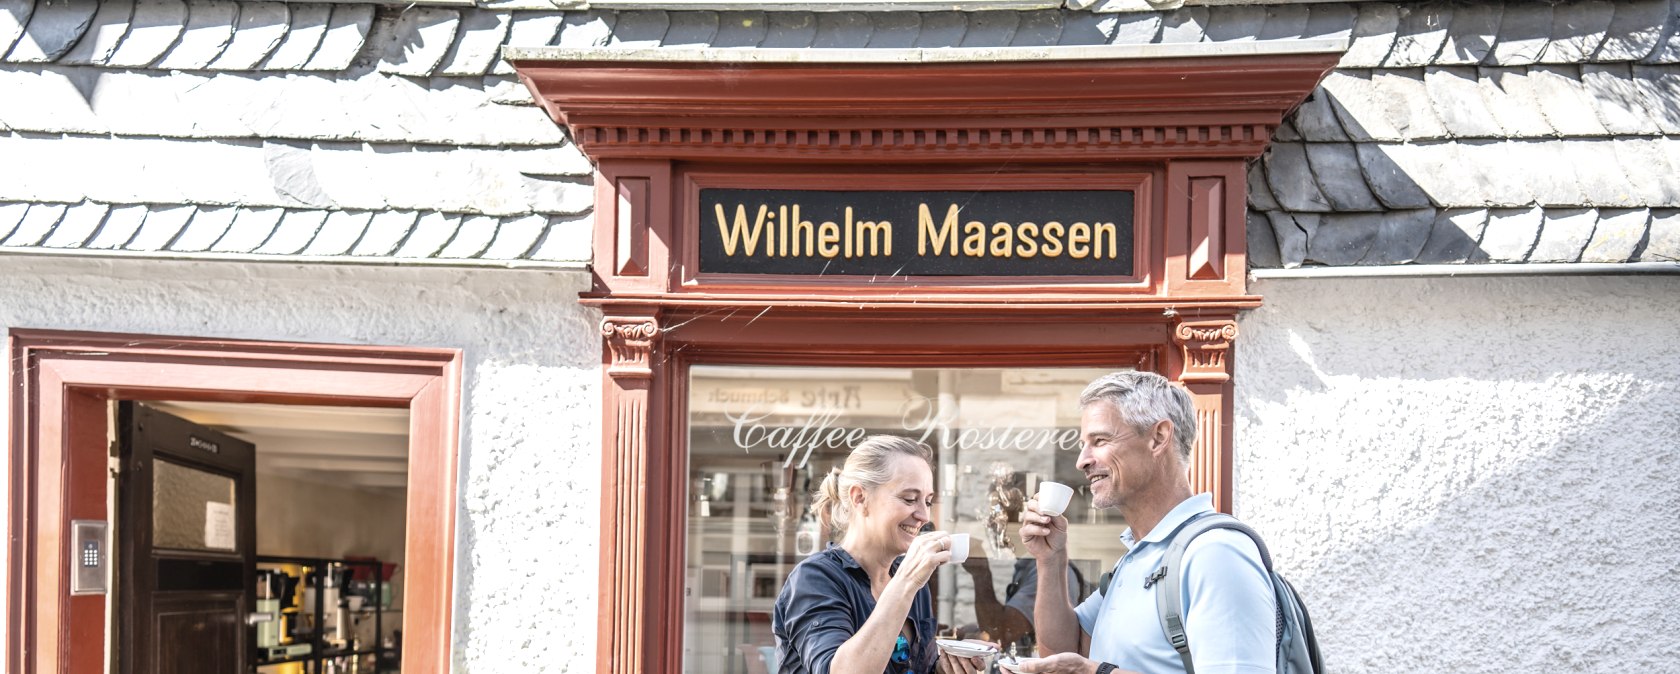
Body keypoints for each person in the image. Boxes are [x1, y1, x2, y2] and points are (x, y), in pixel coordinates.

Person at [1018, 372, 1277, 674]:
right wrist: (1051, 560)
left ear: (1158, 438)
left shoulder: (1216, 554)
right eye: (1083, 444)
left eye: (1099, 440)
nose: (1082, 460)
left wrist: (1098, 673)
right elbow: (1063, 653)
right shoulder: (1135, 558)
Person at [773, 435, 990, 674]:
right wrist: (906, 582)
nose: (924, 516)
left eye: (927, 501)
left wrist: (943, 668)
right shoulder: (815, 578)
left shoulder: (911, 582)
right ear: (860, 498)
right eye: (909, 499)